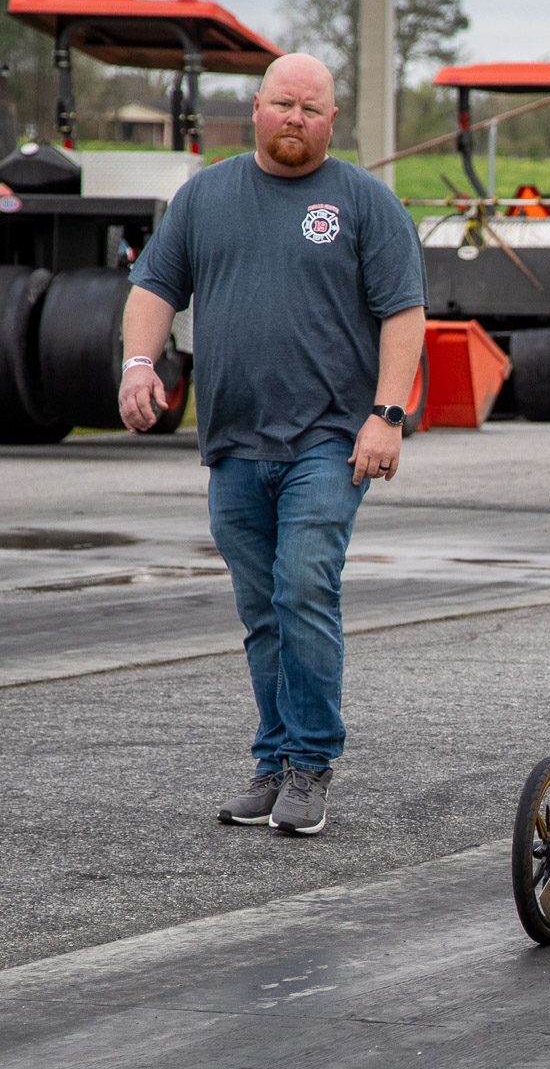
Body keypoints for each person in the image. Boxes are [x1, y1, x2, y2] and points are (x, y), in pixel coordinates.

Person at [118, 52, 428, 836]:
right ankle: (273, 759)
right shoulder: (206, 197)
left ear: (333, 121)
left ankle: (310, 765)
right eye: (283, 104)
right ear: (255, 108)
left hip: (330, 441)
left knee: (302, 589)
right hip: (231, 443)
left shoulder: (364, 203)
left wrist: (386, 414)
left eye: (312, 109)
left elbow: (403, 313)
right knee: (262, 611)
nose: (296, 119)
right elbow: (155, 287)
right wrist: (138, 364)